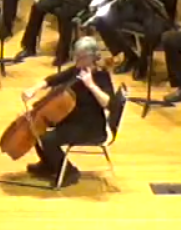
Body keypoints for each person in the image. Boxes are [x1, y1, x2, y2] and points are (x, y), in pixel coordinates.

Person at [18, 36, 114, 184]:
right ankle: (49, 165)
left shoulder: (101, 75)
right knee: (35, 126)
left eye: (80, 58)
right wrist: (34, 89)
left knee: (48, 139)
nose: (77, 61)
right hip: (71, 119)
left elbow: (108, 103)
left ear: (91, 57)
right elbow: (55, 78)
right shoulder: (77, 70)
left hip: (89, 126)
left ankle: (69, 172)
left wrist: (91, 85)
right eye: (76, 57)